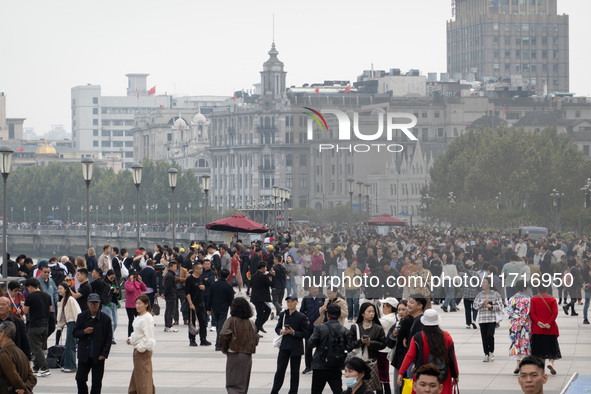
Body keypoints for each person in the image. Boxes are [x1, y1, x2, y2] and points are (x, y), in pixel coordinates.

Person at [397, 309, 459, 394]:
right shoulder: (446, 336)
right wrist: (455, 375)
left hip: (422, 377)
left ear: (423, 322)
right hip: (442, 376)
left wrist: (401, 372)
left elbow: (409, 356)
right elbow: (452, 357)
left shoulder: (418, 337)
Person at [73, 293, 113, 394]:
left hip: (98, 356)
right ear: (87, 304)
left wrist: (104, 354)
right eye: (91, 303)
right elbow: (75, 333)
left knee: (96, 382)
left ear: (99, 304)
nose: (93, 305)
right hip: (84, 355)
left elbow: (108, 339)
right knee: (80, 379)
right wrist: (84, 332)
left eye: (96, 303)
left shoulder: (105, 319)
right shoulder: (81, 317)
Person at [219, 297, 260, 394]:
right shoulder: (250, 323)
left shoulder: (231, 320)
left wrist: (224, 348)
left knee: (232, 384)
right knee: (243, 384)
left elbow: (224, 334)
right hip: (246, 355)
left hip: (233, 353)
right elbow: (256, 338)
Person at [270, 295, 309, 394]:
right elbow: (277, 328)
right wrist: (281, 331)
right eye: (288, 302)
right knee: (280, 371)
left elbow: (305, 333)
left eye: (292, 301)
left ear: (296, 302)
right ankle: (274, 391)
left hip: (296, 348)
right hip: (284, 347)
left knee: (295, 372)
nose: (290, 304)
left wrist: (294, 333)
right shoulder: (283, 314)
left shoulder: (301, 317)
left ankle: (293, 392)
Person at [308, 303, 350, 394]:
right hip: (336, 365)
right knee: (338, 391)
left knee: (316, 391)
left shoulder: (319, 328)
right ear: (339, 315)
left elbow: (311, 343)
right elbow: (349, 347)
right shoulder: (344, 330)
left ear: (327, 315)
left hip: (319, 365)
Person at [348, 302, 386, 392]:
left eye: (373, 312)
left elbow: (383, 344)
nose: (371, 314)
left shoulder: (378, 328)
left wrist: (371, 343)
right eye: (369, 311)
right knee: (355, 388)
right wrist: (360, 342)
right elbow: (349, 345)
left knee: (370, 390)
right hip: (357, 363)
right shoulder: (355, 327)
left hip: (371, 364)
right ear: (362, 313)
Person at [23, 278, 52, 377]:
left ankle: (45, 368)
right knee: (39, 348)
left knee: (35, 348)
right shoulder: (47, 296)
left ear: (31, 287)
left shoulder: (30, 297)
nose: (28, 290)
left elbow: (26, 311)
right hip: (45, 325)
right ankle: (36, 368)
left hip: (34, 325)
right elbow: (50, 309)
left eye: (28, 288)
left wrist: (23, 306)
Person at [126, 294, 156, 394]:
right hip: (138, 350)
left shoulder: (147, 318)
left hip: (142, 351)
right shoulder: (140, 317)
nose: (137, 306)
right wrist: (131, 339)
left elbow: (149, 337)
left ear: (146, 304)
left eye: (140, 304)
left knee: (143, 380)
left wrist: (140, 348)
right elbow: (138, 334)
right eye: (136, 303)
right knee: (138, 378)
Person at [530, 286, 561, 375]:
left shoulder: (533, 299)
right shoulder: (552, 299)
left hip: (538, 329)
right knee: (552, 349)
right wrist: (549, 323)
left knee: (540, 352)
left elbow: (532, 313)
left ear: (538, 289)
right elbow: (555, 312)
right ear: (547, 289)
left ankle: (542, 370)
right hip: (550, 329)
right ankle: (551, 363)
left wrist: (539, 322)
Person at [0, 321, 37, 394]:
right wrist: (26, 387)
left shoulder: (4, 354)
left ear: (3, 333)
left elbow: (15, 378)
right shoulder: (20, 352)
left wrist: (24, 391)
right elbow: (32, 378)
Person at [473, 277, 503, 362]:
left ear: (489, 284)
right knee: (484, 337)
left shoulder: (495, 294)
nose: (482, 284)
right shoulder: (480, 295)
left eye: (484, 283)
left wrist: (491, 306)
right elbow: (475, 306)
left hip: (491, 319)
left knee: (490, 335)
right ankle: (486, 354)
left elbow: (500, 306)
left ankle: (491, 352)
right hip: (482, 319)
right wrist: (483, 303)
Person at [206, 268, 234, 351]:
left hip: (214, 308)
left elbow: (210, 297)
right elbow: (231, 299)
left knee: (218, 325)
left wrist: (208, 308)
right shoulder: (228, 286)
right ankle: (218, 344)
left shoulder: (213, 285)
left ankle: (219, 343)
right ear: (228, 276)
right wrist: (232, 309)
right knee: (221, 326)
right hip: (223, 308)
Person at [300, 285, 326, 374]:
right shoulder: (306, 299)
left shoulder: (323, 298)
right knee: (308, 347)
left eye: (317, 288)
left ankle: (320, 365)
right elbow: (302, 312)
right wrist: (305, 320)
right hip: (309, 328)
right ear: (309, 289)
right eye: (314, 288)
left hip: (321, 327)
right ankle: (308, 366)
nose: (316, 290)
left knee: (322, 346)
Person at [507, 281, 532, 374]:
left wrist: (516, 319)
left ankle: (517, 364)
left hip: (514, 323)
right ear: (525, 289)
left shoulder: (512, 298)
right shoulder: (527, 299)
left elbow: (509, 311)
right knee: (524, 344)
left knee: (516, 343)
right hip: (524, 324)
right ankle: (524, 366)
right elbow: (525, 312)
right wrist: (521, 322)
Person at [185, 262, 211, 346]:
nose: (201, 270)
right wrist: (190, 303)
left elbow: (203, 286)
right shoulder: (189, 279)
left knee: (202, 321)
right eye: (200, 268)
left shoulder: (200, 278)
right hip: (192, 304)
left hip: (200, 303)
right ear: (195, 269)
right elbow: (187, 293)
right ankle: (192, 339)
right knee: (192, 322)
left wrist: (203, 287)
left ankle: (203, 338)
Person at [56, 282, 81, 372]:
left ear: (66, 289)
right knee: (68, 345)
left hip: (73, 323)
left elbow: (77, 313)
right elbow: (61, 316)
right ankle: (68, 365)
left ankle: (71, 366)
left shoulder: (70, 299)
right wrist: (59, 327)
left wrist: (78, 325)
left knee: (70, 345)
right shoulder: (63, 300)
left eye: (60, 289)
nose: (59, 290)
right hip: (69, 323)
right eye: (58, 289)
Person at [378, 298, 399, 394]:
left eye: (384, 306)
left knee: (382, 375)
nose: (382, 308)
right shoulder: (395, 317)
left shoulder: (386, 319)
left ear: (390, 307)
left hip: (382, 350)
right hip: (386, 349)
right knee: (384, 374)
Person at [0, 296, 30, 360]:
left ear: (9, 307)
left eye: (3, 304)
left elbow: (25, 341)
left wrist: (28, 359)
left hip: (14, 357)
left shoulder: (18, 322)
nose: (1, 307)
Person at [250, 262, 275, 335]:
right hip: (260, 299)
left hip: (255, 298)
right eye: (265, 267)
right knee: (260, 315)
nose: (266, 269)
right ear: (262, 268)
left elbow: (251, 284)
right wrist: (273, 276)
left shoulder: (253, 276)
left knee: (267, 310)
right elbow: (272, 284)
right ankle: (255, 331)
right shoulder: (263, 276)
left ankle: (259, 325)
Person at [124, 270, 146, 337]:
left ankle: (138, 334)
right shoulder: (127, 283)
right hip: (130, 305)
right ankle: (130, 335)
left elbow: (144, 288)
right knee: (131, 321)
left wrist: (140, 281)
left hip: (138, 305)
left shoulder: (137, 283)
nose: (135, 278)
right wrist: (131, 281)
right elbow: (130, 289)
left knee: (139, 320)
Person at [103, 270, 120, 344]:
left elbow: (119, 296)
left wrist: (117, 292)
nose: (113, 279)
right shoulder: (104, 283)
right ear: (107, 276)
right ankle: (111, 338)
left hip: (114, 303)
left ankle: (108, 335)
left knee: (115, 322)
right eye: (111, 277)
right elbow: (103, 293)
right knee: (111, 322)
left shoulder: (115, 282)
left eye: (114, 277)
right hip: (106, 304)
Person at [162, 260, 179, 333]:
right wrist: (164, 294)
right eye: (174, 266)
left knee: (169, 310)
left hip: (171, 294)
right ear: (170, 267)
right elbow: (168, 286)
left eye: (176, 266)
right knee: (170, 311)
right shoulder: (170, 275)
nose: (176, 268)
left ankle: (168, 325)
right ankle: (168, 326)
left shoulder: (170, 274)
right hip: (171, 295)